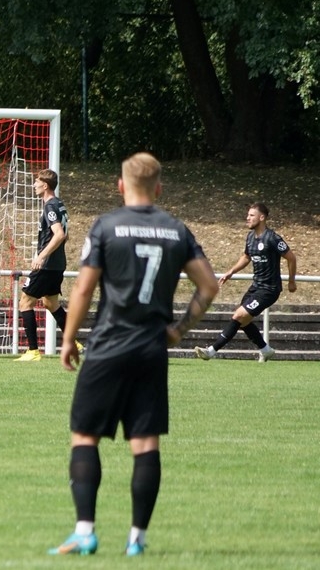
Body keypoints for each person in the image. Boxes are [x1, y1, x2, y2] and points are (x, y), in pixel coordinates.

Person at [52, 152, 218, 557]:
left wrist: (69, 339)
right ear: (158, 188)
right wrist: (178, 330)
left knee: (85, 436)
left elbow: (84, 288)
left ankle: (85, 532)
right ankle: (137, 540)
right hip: (151, 348)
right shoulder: (176, 230)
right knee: (145, 444)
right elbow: (209, 286)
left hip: (108, 345)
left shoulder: (107, 226)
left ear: (121, 185)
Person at [195, 202, 296, 363]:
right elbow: (246, 257)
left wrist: (291, 281)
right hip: (255, 287)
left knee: (239, 315)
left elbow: (291, 258)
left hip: (269, 289)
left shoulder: (272, 238)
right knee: (243, 321)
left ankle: (211, 351)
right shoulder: (250, 237)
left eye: (251, 215)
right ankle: (266, 350)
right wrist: (231, 272)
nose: (247, 218)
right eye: (248, 215)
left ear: (261, 218)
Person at [16, 168, 70, 362]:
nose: (34, 185)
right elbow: (66, 235)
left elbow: (60, 234)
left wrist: (41, 256)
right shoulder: (59, 204)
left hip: (47, 265)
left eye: (37, 182)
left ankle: (33, 351)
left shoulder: (50, 206)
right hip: (58, 264)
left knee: (25, 302)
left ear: (45, 185)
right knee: (50, 303)